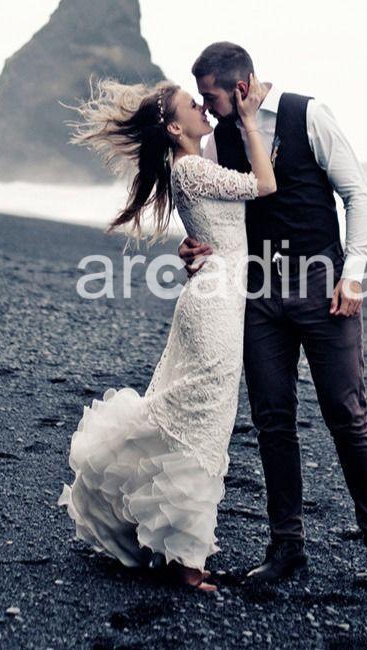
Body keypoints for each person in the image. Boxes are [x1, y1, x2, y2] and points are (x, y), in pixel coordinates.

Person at [181, 41, 367, 590]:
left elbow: (356, 194)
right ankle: (287, 548)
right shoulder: (218, 139)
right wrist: (191, 247)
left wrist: (353, 274)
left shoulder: (308, 114)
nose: (205, 106)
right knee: (272, 421)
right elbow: (215, 214)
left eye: (210, 96)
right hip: (258, 293)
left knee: (347, 416)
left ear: (240, 87)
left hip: (322, 286)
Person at [56, 76, 276, 592]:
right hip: (214, 306)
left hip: (215, 299)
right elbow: (265, 186)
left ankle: (178, 549)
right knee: (202, 427)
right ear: (175, 128)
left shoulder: (192, 166)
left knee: (196, 421)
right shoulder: (193, 168)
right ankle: (186, 559)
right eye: (192, 105)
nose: (203, 109)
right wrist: (248, 119)